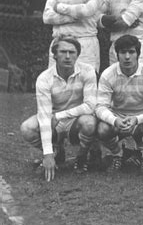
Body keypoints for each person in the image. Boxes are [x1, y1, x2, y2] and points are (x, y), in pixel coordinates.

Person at [20, 36, 98, 181]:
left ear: (78, 54)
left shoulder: (88, 71)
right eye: (63, 52)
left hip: (77, 118)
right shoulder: (44, 79)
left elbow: (90, 105)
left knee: (89, 123)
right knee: (27, 128)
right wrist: (47, 154)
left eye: (72, 52)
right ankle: (56, 151)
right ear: (54, 55)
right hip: (53, 118)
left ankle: (82, 156)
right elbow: (44, 116)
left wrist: (60, 116)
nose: (68, 56)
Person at [96, 35, 143, 172]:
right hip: (118, 118)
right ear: (117, 54)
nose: (127, 57)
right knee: (102, 128)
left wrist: (137, 119)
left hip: (142, 119)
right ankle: (117, 154)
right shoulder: (108, 74)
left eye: (131, 52)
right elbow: (100, 106)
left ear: (138, 54)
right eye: (123, 52)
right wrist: (115, 120)